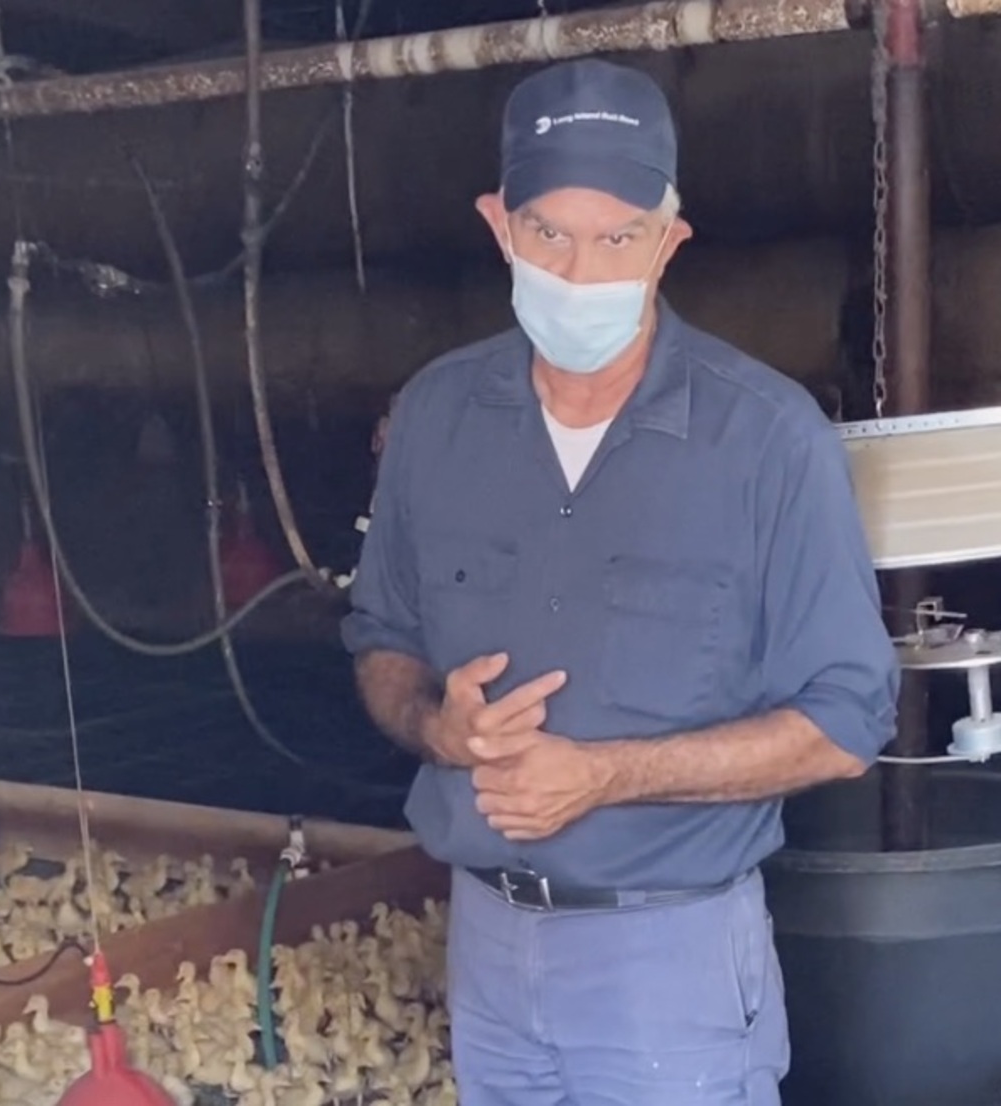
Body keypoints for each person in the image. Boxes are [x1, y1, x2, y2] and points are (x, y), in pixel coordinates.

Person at [341, 57, 900, 1106]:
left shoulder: (767, 439)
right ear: (499, 224)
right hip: (487, 946)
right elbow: (380, 637)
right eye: (550, 232)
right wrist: (434, 721)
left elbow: (845, 722)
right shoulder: (435, 417)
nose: (581, 269)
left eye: (617, 237)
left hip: (671, 958)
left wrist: (605, 773)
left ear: (668, 242)